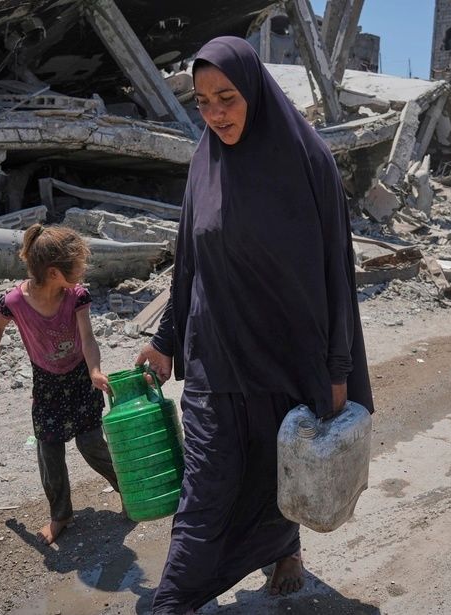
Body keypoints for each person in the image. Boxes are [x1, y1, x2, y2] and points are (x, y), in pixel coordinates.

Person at [133, 37, 373, 615]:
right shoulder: (204, 163)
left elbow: (335, 274)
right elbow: (189, 261)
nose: (215, 114)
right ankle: (175, 600)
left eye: (227, 98)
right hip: (214, 355)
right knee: (206, 487)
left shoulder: (308, 161)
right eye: (202, 102)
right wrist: (164, 340)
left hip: (287, 355)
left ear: (255, 92)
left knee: (272, 469)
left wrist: (337, 369)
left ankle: (283, 548)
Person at [0, 224, 119, 545]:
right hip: (46, 383)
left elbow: (88, 338)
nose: (83, 271)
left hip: (80, 377)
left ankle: (127, 487)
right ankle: (61, 514)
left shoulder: (76, 296)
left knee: (90, 443)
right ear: (55, 272)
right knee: (49, 450)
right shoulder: (15, 301)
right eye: (78, 266)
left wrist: (95, 371)